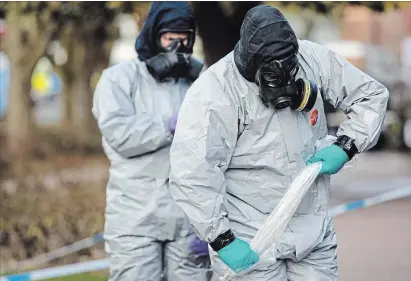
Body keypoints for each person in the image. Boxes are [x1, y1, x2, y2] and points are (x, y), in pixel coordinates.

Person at [169, 5, 389, 281]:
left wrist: (347, 145)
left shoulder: (312, 58)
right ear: (252, 67)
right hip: (250, 238)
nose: (285, 83)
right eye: (274, 76)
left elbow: (371, 96)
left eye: (290, 70)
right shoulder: (214, 92)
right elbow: (193, 173)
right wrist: (221, 238)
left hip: (312, 234)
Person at [92, 2, 209, 281]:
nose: (178, 46)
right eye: (170, 37)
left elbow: (218, 152)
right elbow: (119, 134)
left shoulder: (199, 83)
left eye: (184, 38)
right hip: (136, 219)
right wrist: (167, 126)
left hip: (188, 222)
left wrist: (211, 226)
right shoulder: (118, 80)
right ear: (154, 34)